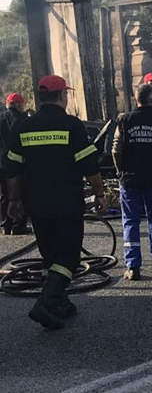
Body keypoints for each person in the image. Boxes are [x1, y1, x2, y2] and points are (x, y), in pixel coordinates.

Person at [5, 75, 106, 330]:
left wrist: (14, 200)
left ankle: (59, 303)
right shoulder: (71, 125)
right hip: (66, 201)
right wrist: (100, 193)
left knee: (50, 255)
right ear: (63, 96)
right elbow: (89, 165)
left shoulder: (23, 127)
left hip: (36, 203)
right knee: (69, 256)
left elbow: (12, 168)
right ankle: (45, 302)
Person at [112, 83, 152, 281]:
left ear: (135, 98)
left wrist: (119, 170)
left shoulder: (124, 120)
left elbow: (116, 149)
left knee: (131, 221)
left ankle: (133, 266)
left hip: (130, 179)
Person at [0, 93, 29, 235]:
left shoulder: (0, 118)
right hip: (18, 163)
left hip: (1, 164)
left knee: (4, 194)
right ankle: (19, 225)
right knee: (20, 193)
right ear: (18, 105)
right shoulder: (23, 120)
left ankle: (6, 224)